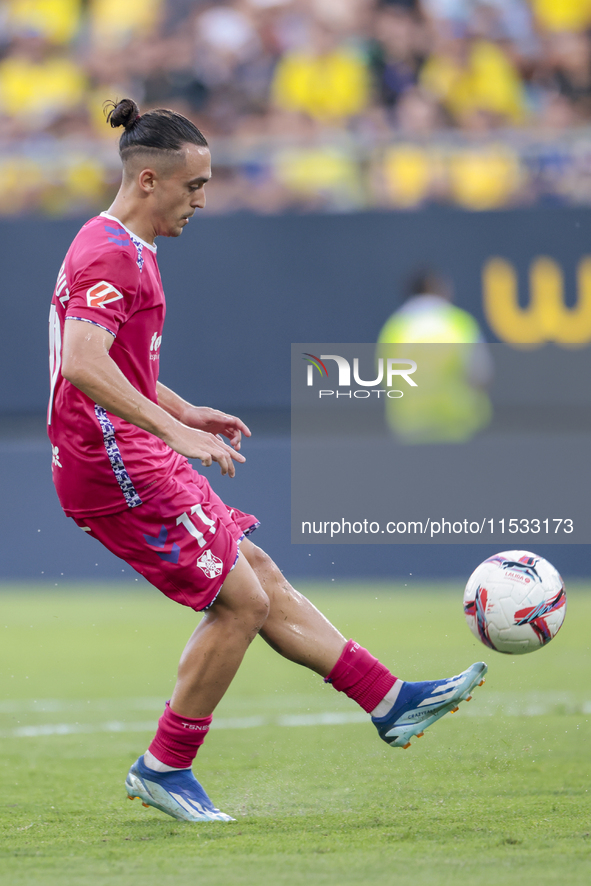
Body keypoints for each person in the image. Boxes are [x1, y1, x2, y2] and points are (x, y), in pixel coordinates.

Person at [47, 98, 487, 824]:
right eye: (194, 187)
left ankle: (387, 700)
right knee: (241, 601)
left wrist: (182, 411)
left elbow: (114, 361)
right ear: (150, 180)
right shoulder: (109, 254)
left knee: (257, 576)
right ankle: (166, 764)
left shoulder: (123, 245)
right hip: (113, 462)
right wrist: (175, 433)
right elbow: (84, 364)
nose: (202, 200)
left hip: (133, 446)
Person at [377, 269, 493, 444]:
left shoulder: (394, 329)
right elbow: (481, 375)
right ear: (432, 285)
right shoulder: (457, 323)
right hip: (457, 428)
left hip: (409, 429)